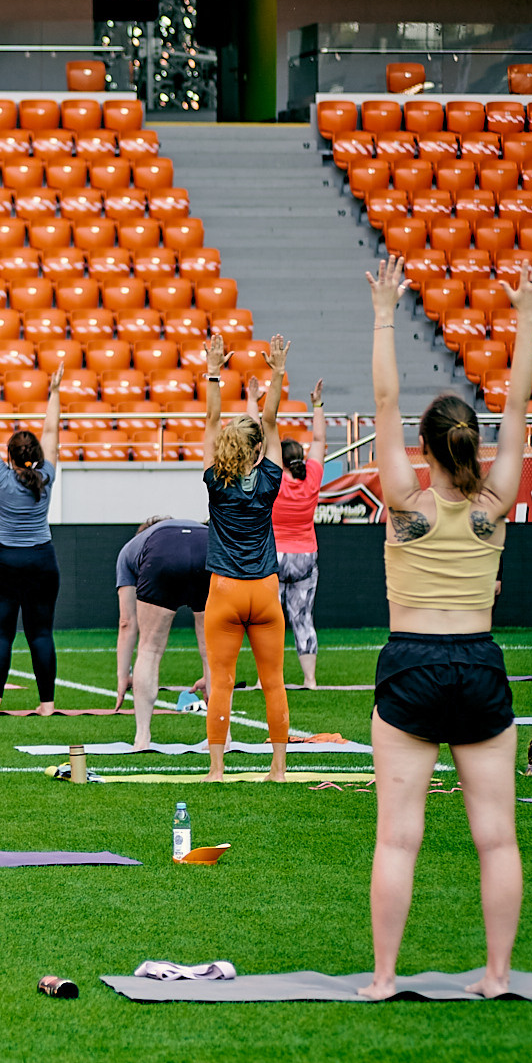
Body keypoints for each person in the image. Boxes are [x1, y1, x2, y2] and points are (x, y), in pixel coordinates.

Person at [361, 256, 532, 1001]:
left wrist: (384, 313)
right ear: (471, 444)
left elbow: (383, 397)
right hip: (478, 665)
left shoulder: (404, 497)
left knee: (397, 837)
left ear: (428, 448)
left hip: (410, 664)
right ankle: (497, 975)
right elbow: (524, 401)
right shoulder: (495, 501)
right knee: (497, 837)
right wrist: (528, 315)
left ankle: (383, 979)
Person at [199, 332, 292, 783]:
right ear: (257, 450)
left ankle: (217, 769)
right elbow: (271, 420)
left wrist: (214, 370)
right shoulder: (271, 477)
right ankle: (278, 768)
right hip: (265, 589)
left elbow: (214, 417)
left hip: (225, 590)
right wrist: (276, 372)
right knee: (273, 683)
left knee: (222, 683)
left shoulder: (216, 478)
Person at [0, 364, 62, 715]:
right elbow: (51, 429)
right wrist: (54, 391)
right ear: (37, 456)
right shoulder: (47, 477)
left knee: (0, 633)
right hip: (41, 560)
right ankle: (47, 703)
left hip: (3, 561)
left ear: (9, 456)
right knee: (40, 633)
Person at [113, 514, 212, 750]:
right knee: (213, 653)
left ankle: (142, 738)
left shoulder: (131, 548)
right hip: (207, 546)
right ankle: (222, 737)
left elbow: (127, 622)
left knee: (150, 649)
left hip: (162, 555)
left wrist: (122, 676)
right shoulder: (192, 528)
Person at [272, 378, 327, 688]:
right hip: (305, 554)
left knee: (270, 621)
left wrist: (257, 401)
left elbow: (262, 433)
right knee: (303, 618)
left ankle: (267, 678)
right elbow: (319, 440)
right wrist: (317, 404)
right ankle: (310, 679)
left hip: (276, 555)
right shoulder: (313, 478)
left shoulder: (275, 481)